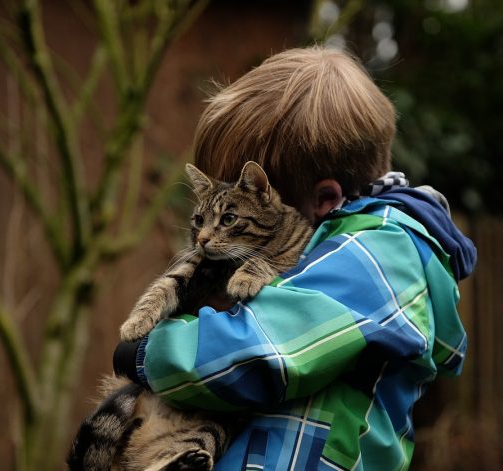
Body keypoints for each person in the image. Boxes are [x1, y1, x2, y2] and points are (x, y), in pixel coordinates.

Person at [114, 46, 476, 470]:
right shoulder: (346, 247)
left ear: (325, 199)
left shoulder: (381, 252)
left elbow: (258, 353)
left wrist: (143, 354)